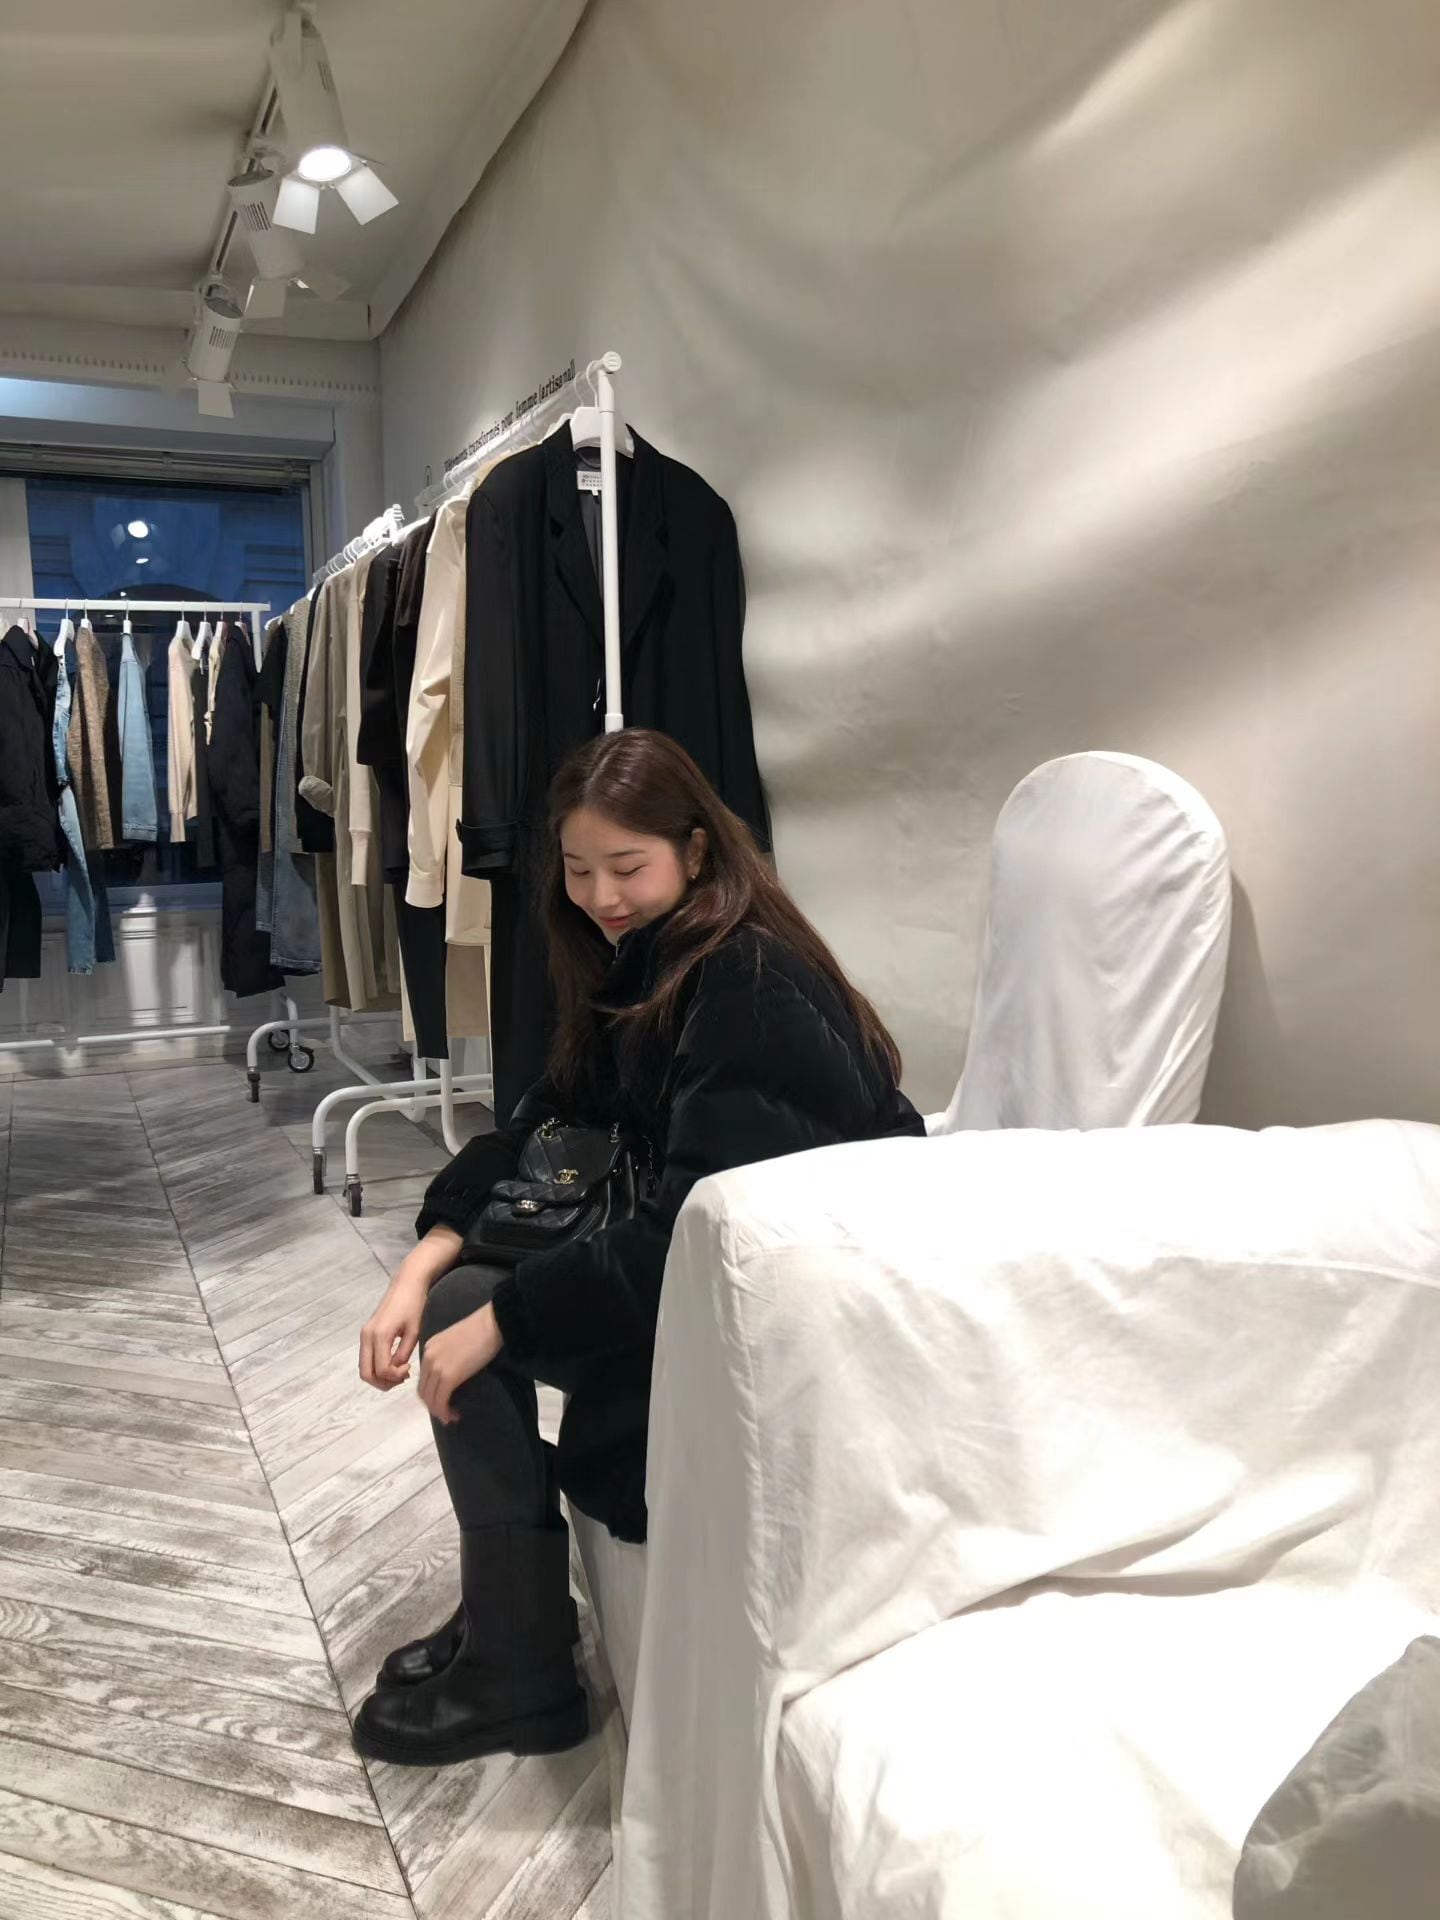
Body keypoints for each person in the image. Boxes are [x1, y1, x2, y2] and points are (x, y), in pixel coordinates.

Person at [352, 727, 924, 1766]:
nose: (602, 896)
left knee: (470, 1320)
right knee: (451, 1298)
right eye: (579, 871)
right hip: (708, 1282)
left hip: (787, 1316)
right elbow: (548, 1124)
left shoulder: (747, 982)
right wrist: (424, 1258)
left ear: (696, 851)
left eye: (627, 866)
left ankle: (520, 1666)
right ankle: (513, 1620)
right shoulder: (657, 960)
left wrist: (505, 1314)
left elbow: (708, 1236)